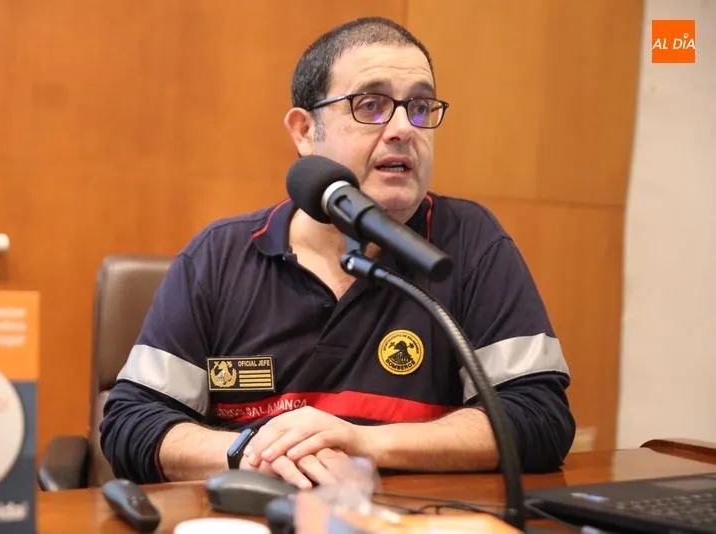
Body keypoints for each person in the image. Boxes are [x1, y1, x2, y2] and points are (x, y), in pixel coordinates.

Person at [99, 16, 575, 488]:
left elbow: (538, 416)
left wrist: (366, 444)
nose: (403, 128)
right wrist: (252, 453)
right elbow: (130, 423)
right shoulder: (218, 256)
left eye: (420, 107)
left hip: (406, 516)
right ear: (305, 131)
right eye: (371, 105)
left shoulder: (469, 243)